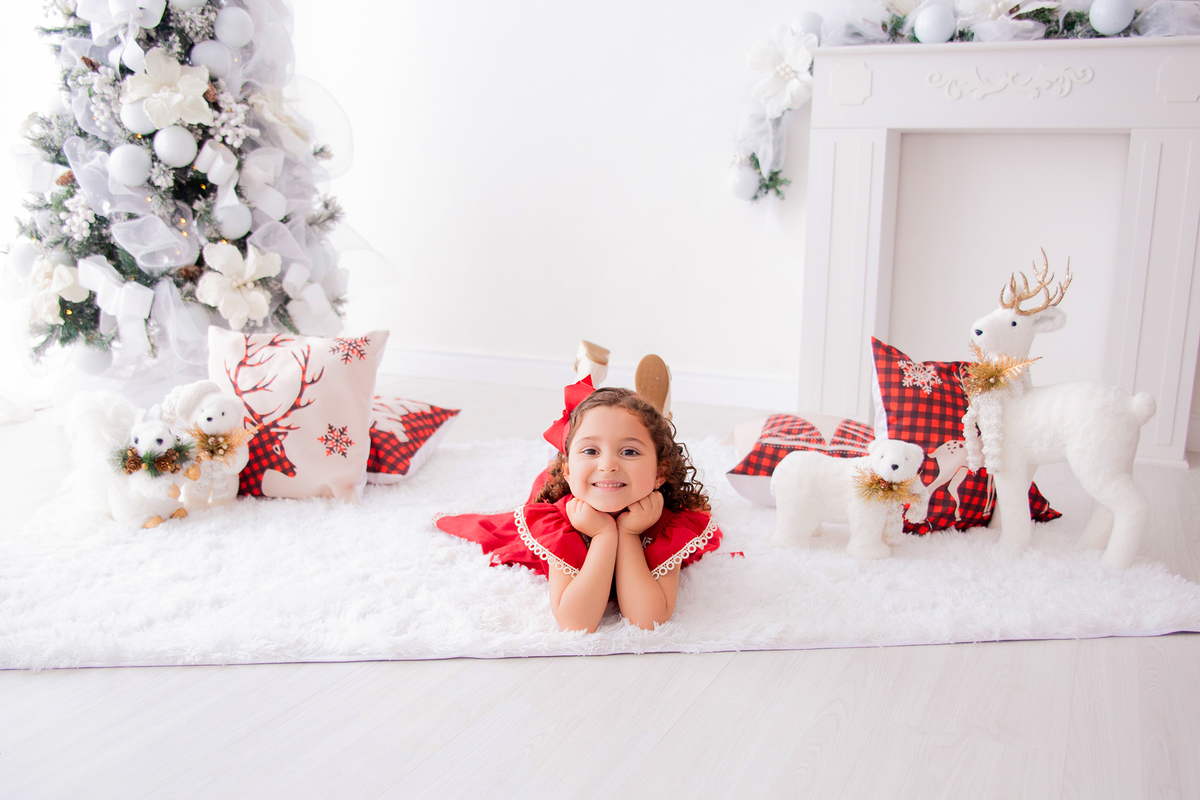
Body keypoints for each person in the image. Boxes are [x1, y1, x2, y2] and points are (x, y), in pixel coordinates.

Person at [435, 359, 721, 632]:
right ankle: (587, 375)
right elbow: (576, 623)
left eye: (629, 451)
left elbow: (648, 620)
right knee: (562, 455)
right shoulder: (560, 524)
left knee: (618, 431)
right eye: (592, 451)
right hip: (567, 483)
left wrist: (629, 534)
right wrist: (604, 535)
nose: (608, 465)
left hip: (607, 479)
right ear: (569, 471)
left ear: (661, 472)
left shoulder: (668, 523)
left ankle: (655, 421)